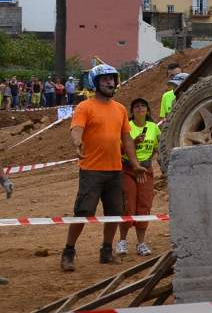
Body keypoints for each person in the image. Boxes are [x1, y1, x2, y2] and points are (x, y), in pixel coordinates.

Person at [60, 64, 145, 272]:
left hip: (115, 170)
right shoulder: (85, 107)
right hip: (91, 169)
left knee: (115, 212)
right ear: (95, 83)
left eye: (112, 79)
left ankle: (107, 251)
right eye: (105, 79)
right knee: (83, 211)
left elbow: (126, 138)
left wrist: (134, 164)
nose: (110, 82)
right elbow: (76, 128)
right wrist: (77, 142)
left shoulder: (120, 109)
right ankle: (68, 252)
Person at [117, 98, 160, 258]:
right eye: (136, 106)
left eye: (143, 106)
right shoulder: (127, 127)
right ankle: (122, 241)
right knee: (128, 204)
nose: (140, 108)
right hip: (128, 169)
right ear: (132, 111)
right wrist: (133, 143)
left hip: (145, 170)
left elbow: (156, 146)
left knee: (144, 205)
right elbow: (119, 149)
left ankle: (141, 243)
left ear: (148, 110)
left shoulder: (153, 127)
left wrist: (148, 161)